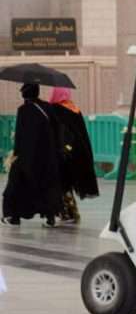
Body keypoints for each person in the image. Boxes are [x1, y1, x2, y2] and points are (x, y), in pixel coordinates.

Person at [1, 84, 62, 228]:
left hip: (27, 157)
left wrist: (15, 155)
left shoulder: (23, 110)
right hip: (47, 157)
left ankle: (13, 217)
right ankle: (50, 218)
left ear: (25, 94)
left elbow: (20, 136)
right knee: (46, 187)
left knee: (16, 186)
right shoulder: (47, 107)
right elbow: (56, 128)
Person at [49, 87, 99, 224]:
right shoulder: (74, 108)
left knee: (62, 183)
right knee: (66, 183)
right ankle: (71, 213)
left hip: (62, 152)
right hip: (77, 152)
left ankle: (68, 214)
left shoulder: (55, 109)